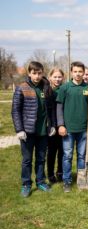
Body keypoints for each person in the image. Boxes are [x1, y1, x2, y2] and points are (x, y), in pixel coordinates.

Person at [12, 61, 55, 197]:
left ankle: (41, 181)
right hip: (27, 131)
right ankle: (26, 184)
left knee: (41, 158)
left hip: (43, 131)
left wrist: (52, 125)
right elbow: (15, 110)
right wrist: (19, 129)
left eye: (39, 73)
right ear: (29, 73)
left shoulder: (47, 88)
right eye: (34, 73)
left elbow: (51, 109)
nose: (37, 76)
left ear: (43, 73)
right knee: (27, 159)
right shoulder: (22, 88)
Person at [56, 61, 88, 193]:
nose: (78, 74)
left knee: (82, 156)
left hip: (84, 128)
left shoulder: (87, 88)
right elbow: (59, 107)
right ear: (71, 72)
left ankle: (81, 178)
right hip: (68, 129)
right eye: (75, 71)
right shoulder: (65, 88)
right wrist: (61, 124)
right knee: (67, 155)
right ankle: (67, 180)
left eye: (80, 71)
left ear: (84, 73)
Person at [46, 68, 65, 184]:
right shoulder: (47, 91)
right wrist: (51, 125)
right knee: (52, 151)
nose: (57, 79)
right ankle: (50, 173)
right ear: (50, 77)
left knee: (62, 151)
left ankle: (60, 172)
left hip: (62, 125)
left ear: (63, 78)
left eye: (59, 77)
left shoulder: (64, 89)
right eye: (55, 77)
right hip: (52, 126)